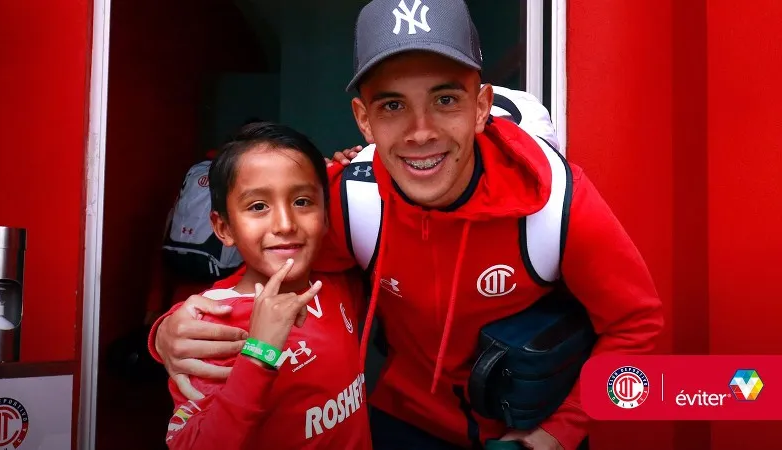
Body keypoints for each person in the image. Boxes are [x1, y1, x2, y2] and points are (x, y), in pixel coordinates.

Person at [151, 1, 664, 449]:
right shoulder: (347, 198)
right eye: (393, 105)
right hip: (402, 425)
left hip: (533, 426)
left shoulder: (552, 199)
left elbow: (636, 327)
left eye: (445, 100)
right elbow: (277, 268)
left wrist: (561, 432)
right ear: (363, 119)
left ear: (481, 107)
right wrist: (167, 332)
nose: (421, 133)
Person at [162, 122, 372, 450]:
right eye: (258, 206)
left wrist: (357, 169)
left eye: (302, 201)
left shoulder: (337, 283)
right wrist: (258, 355)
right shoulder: (212, 325)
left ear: (327, 214)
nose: (285, 224)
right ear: (224, 227)